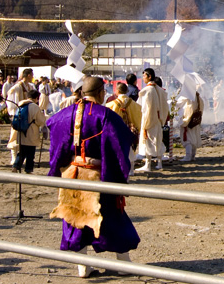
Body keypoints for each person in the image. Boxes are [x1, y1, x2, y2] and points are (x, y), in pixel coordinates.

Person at [48, 77, 140, 278]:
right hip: (97, 174)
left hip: (71, 173)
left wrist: (59, 164)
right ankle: (123, 264)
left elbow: (52, 125)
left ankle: (83, 266)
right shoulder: (105, 114)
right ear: (100, 93)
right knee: (110, 216)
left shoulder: (65, 114)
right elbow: (119, 140)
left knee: (75, 218)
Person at [136, 68, 169, 172]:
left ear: (149, 76)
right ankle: (159, 163)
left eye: (144, 76)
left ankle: (148, 164)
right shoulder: (159, 89)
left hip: (150, 118)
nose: (143, 78)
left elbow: (145, 108)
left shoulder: (148, 90)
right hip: (158, 119)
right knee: (158, 140)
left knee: (149, 142)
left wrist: (145, 123)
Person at [106, 82, 142, 175]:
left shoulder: (110, 105)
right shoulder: (134, 104)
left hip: (116, 130)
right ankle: (131, 169)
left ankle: (119, 168)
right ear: (127, 91)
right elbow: (138, 115)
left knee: (116, 149)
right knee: (130, 149)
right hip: (130, 129)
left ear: (117, 91)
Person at [10, 89, 45, 174]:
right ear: (36, 98)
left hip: (21, 131)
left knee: (21, 152)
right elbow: (40, 121)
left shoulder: (21, 104)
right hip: (31, 132)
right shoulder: (34, 107)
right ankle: (28, 169)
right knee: (30, 153)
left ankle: (16, 166)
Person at [6, 69, 35, 164]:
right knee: (15, 136)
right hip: (19, 115)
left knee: (26, 137)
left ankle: (24, 156)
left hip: (28, 116)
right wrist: (15, 114)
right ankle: (14, 157)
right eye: (32, 74)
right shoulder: (17, 87)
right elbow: (12, 103)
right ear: (28, 75)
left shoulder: (30, 87)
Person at [180, 90, 204, 162]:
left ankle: (188, 156)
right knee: (194, 138)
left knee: (188, 139)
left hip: (189, 120)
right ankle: (193, 156)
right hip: (195, 121)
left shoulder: (188, 97)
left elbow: (184, 107)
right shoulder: (199, 97)